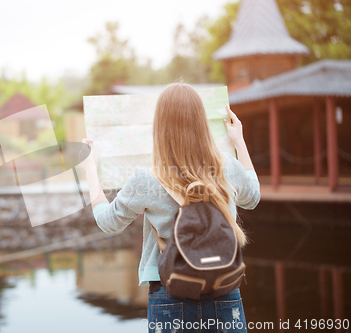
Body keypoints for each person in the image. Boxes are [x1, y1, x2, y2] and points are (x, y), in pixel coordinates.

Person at [82, 83, 260, 333]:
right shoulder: (226, 167)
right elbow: (252, 197)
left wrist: (90, 169)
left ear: (160, 126)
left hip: (169, 292)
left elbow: (107, 221)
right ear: (201, 122)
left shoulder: (145, 180)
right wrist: (239, 142)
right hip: (224, 288)